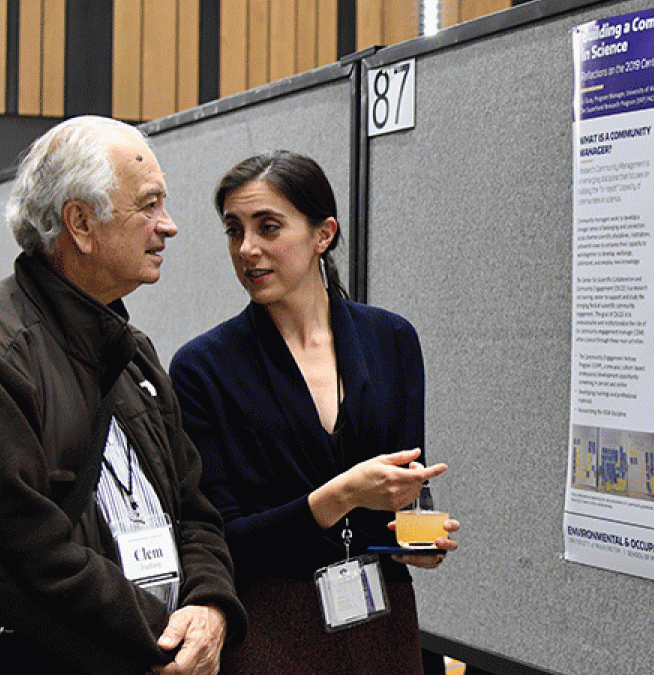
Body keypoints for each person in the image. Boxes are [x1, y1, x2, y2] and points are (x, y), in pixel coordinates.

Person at [0, 116, 246, 674]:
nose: (169, 225)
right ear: (81, 224)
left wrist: (209, 607)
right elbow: (22, 556)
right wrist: (161, 638)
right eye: (149, 205)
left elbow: (197, 510)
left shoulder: (133, 353)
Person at [169, 150, 459, 673]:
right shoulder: (202, 368)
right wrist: (342, 494)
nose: (248, 249)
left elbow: (401, 497)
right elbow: (222, 540)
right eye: (234, 230)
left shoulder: (391, 340)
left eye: (269, 227)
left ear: (322, 235)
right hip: (269, 628)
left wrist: (414, 542)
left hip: (381, 623)